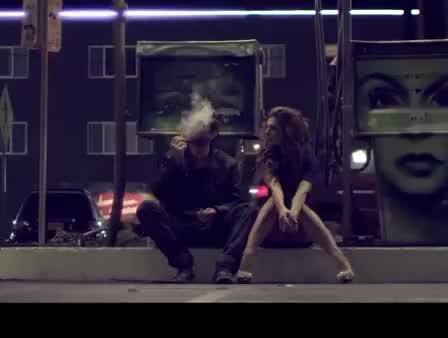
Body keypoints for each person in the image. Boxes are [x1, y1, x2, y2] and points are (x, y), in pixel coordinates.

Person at [236, 106, 354, 283]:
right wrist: (282, 211)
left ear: (287, 132)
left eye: (273, 128)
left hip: (297, 226)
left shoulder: (307, 156)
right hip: (271, 229)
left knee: (298, 204)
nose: (267, 132)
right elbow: (274, 185)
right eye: (267, 127)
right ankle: (246, 261)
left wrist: (293, 213)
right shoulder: (267, 154)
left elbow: (303, 190)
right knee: (273, 203)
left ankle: (342, 263)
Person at [136, 115, 258, 283]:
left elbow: (238, 200)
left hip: (216, 226)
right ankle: (184, 266)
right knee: (146, 208)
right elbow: (158, 192)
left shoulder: (227, 164)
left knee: (249, 210)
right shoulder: (174, 160)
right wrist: (173, 162)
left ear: (211, 137)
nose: (198, 149)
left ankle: (225, 268)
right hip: (182, 225)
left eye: (202, 143)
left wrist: (217, 211)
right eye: (194, 143)